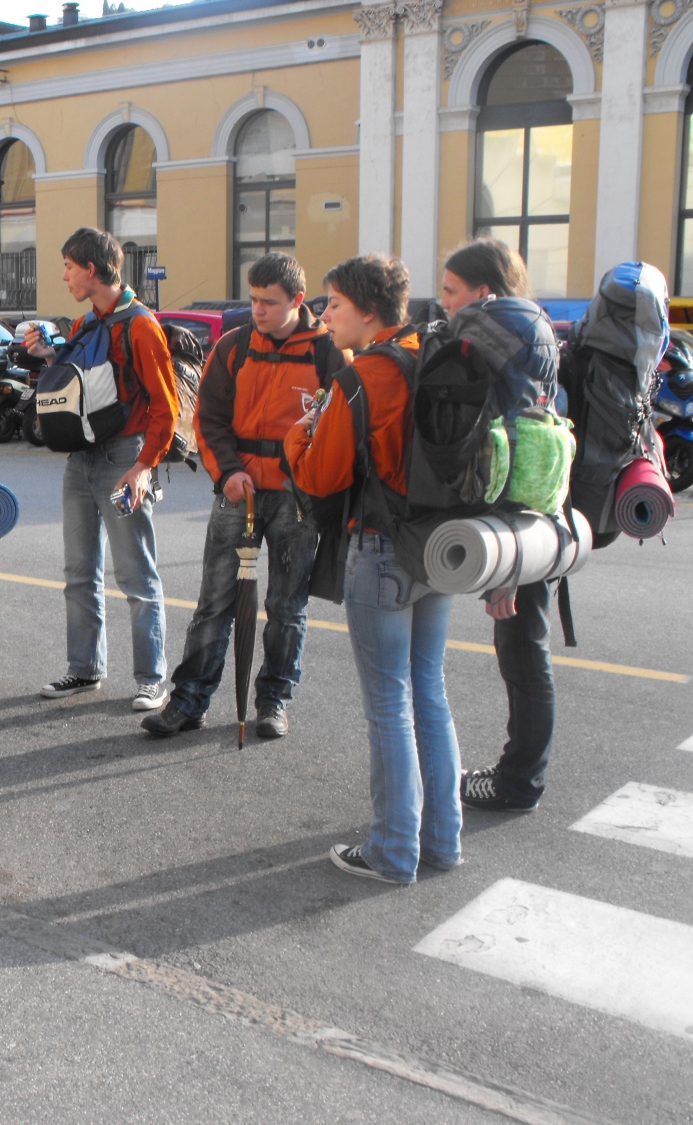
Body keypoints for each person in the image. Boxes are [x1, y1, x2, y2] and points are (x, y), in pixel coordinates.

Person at [284, 254, 462, 885]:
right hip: (438, 544)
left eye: (333, 304)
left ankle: (392, 851)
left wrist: (296, 437)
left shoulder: (364, 376)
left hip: (382, 547)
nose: (324, 315)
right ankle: (441, 840)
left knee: (389, 704)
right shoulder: (430, 355)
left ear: (366, 310)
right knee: (429, 693)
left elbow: (319, 475)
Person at [143, 252, 346, 739]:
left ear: (297, 300)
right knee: (214, 604)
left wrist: (310, 483)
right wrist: (228, 472)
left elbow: (339, 431)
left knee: (286, 608)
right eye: (254, 299)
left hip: (297, 500)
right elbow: (208, 419)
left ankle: (273, 701)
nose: (258, 310)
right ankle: (189, 701)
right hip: (238, 494)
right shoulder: (233, 347)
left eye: (269, 302)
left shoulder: (329, 354)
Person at [26, 226, 179, 712]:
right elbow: (83, 385)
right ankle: (85, 669)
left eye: (69, 266)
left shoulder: (141, 326)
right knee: (78, 572)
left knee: (136, 574)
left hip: (123, 459)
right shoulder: (84, 324)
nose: (64, 275)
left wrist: (144, 467)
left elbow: (166, 407)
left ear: (91, 269)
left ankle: (152, 679)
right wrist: (49, 356)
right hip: (82, 459)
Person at [438, 237, 559, 813]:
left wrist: (505, 569)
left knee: (523, 651)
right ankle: (521, 776)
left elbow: (497, 435)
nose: (444, 302)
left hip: (513, 511)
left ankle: (518, 783)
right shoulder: (534, 323)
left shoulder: (491, 330)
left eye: (451, 290)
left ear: (482, 290)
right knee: (526, 647)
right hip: (542, 499)